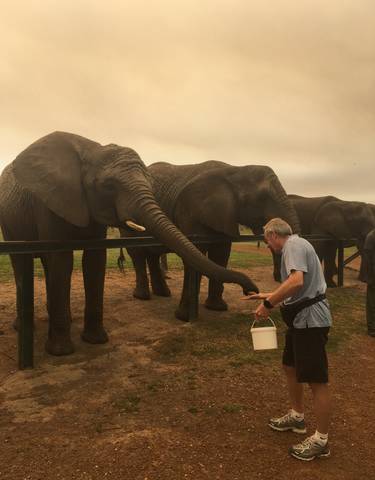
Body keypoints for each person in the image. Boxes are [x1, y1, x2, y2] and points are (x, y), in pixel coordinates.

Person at [244, 218, 332, 461]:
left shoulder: (293, 245)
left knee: (316, 381)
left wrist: (267, 304)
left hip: (310, 321)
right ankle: (297, 417)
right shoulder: (299, 245)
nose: (268, 246)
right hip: (300, 320)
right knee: (290, 366)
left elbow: (296, 282)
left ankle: (321, 441)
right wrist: (267, 294)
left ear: (273, 235)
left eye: (266, 241)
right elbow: (299, 288)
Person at [359, 228, 375, 337]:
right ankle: (372, 328)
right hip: (373, 275)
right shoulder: (371, 237)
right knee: (372, 302)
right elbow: (367, 259)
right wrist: (369, 277)